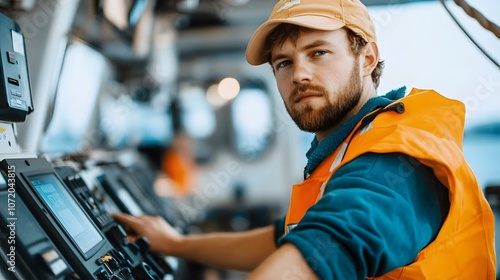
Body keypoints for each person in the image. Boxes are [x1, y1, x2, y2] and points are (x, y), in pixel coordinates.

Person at [113, 0, 496, 278]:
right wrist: (175, 244)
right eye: (284, 62)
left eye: (319, 53)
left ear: (367, 58)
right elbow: (285, 238)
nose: (299, 74)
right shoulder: (344, 149)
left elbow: (330, 244)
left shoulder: (394, 159)